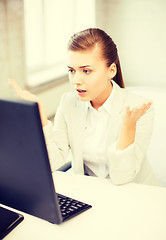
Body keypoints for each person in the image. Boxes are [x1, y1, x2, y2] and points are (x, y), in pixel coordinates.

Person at [9, 28, 160, 186]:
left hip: (134, 195)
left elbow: (122, 178)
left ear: (111, 70)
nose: (76, 80)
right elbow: (52, 162)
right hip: (89, 193)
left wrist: (127, 126)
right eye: (72, 71)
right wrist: (40, 117)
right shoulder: (68, 103)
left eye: (86, 71)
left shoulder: (140, 108)